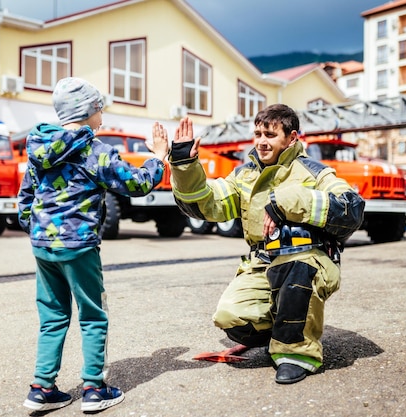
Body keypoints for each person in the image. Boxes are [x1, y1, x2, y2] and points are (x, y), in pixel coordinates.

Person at [154, 104, 364, 384]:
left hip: (308, 259)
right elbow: (208, 204)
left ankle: (296, 353)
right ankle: (281, 331)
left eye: (270, 135)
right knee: (230, 316)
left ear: (291, 138)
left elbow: (351, 208)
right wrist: (183, 165)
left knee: (296, 270)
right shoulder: (244, 175)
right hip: (262, 263)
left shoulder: (316, 173)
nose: (262, 142)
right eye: (258, 134)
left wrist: (284, 202)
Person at [18, 77, 169, 412]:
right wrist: (158, 157)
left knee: (53, 315)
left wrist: (34, 228)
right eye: (99, 107)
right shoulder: (93, 150)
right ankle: (94, 389)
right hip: (79, 245)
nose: (102, 114)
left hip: (43, 245)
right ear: (87, 111)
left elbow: (25, 195)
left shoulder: (38, 147)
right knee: (93, 314)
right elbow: (136, 183)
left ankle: (42, 389)